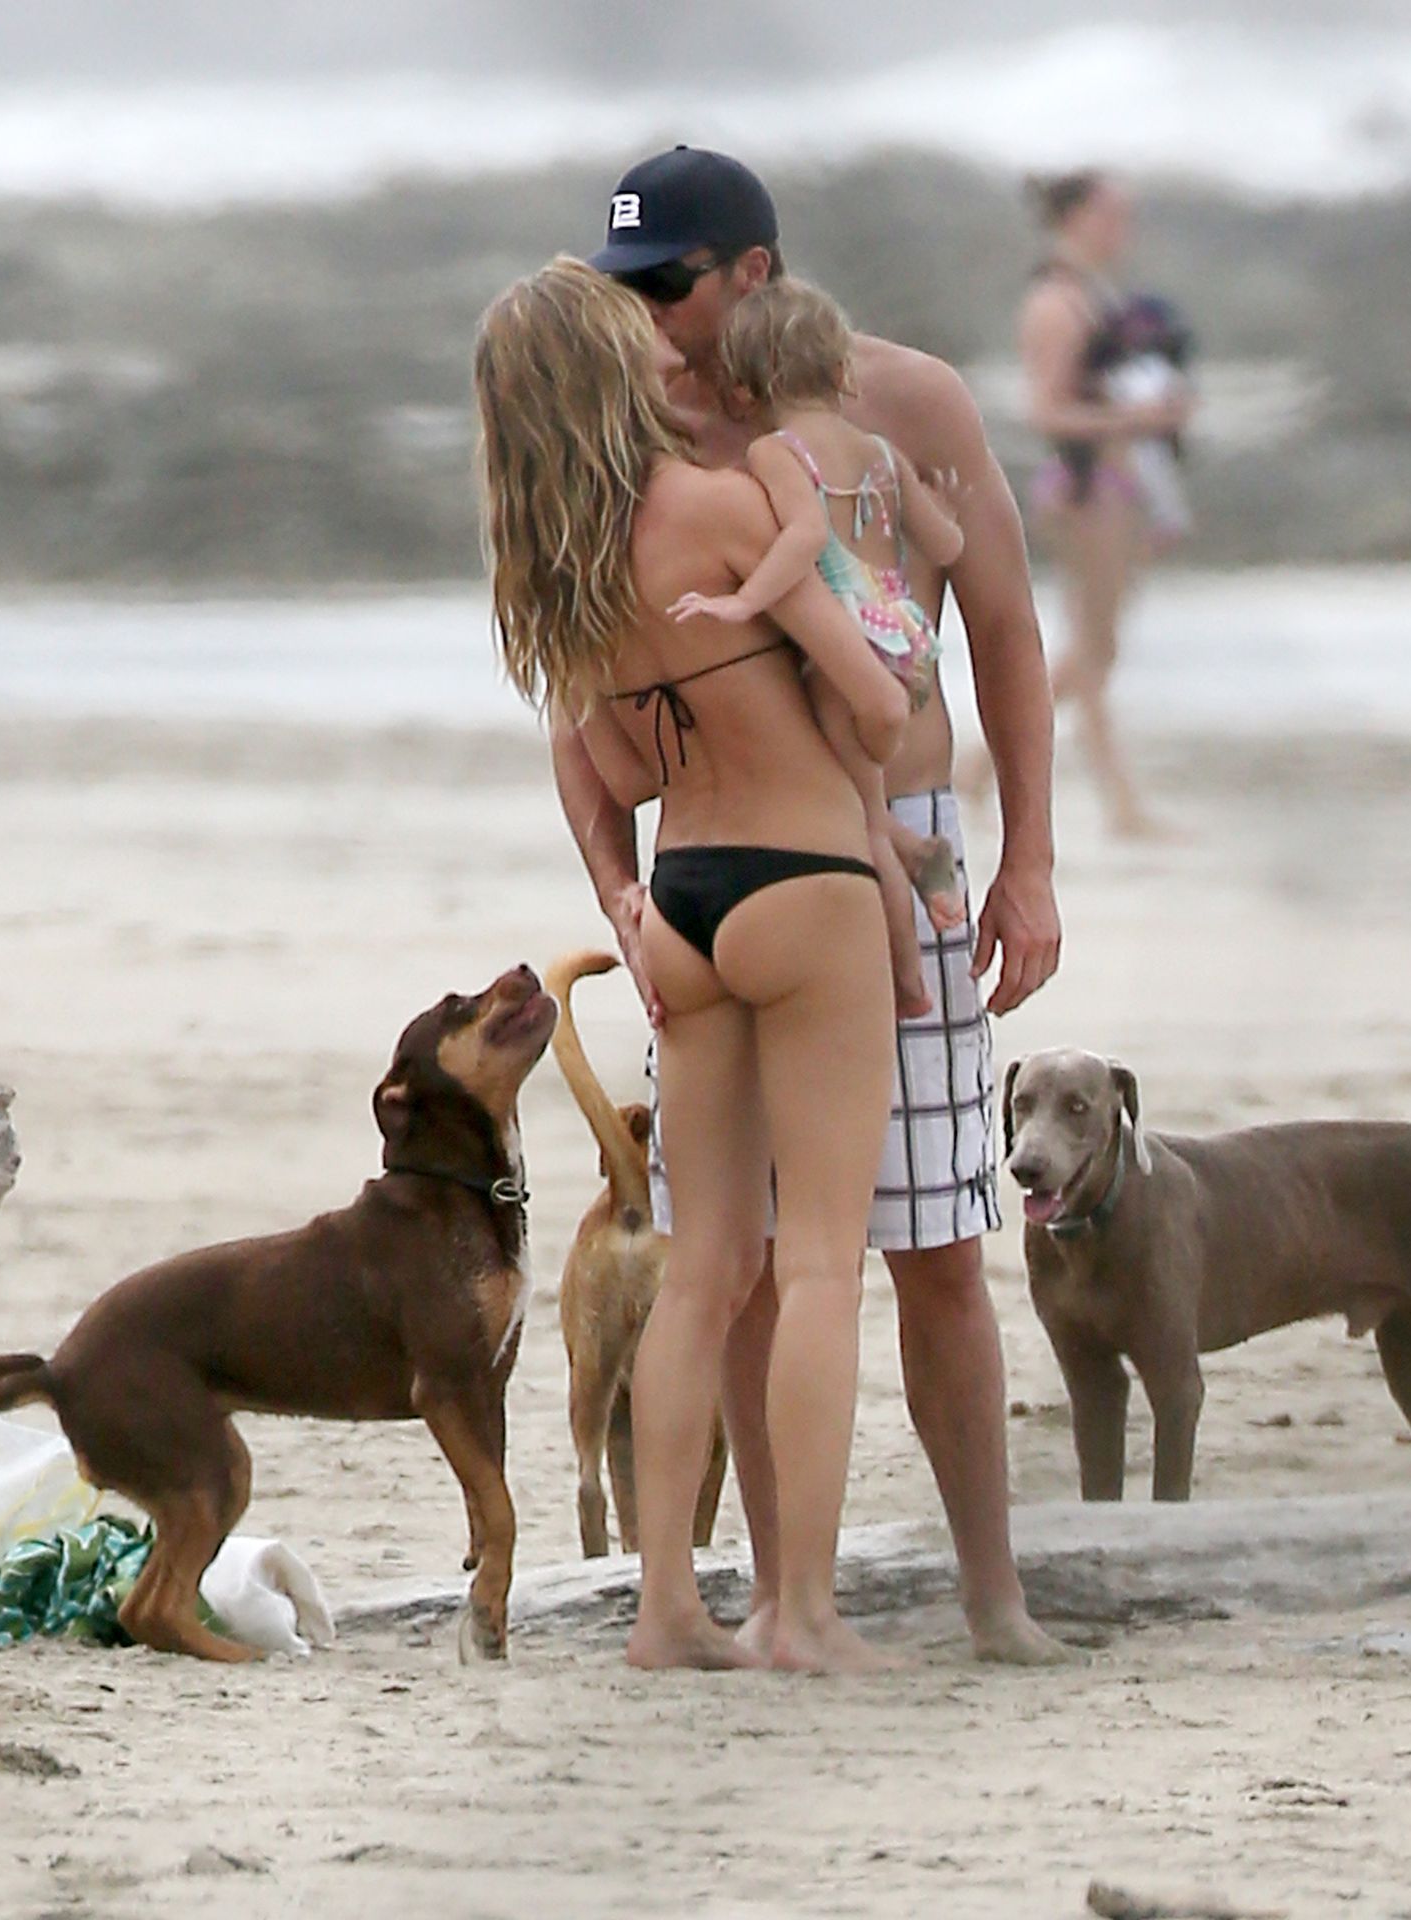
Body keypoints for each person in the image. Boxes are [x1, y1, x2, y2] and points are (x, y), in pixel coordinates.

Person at [554, 146, 1070, 1665]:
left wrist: (1028, 860)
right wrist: (613, 888)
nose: (651, 318)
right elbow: (572, 696)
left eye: (671, 285)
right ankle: (785, 1597)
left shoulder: (907, 403)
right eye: (626, 290)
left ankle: (991, 1596)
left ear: (754, 273)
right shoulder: (629, 423)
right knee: (736, 1262)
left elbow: (1004, 630)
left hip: (905, 847)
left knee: (937, 1248)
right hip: (723, 862)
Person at [476, 256, 913, 1673]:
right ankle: (803, 1613)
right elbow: (876, 710)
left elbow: (617, 769)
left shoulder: (554, 579)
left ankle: (666, 1606)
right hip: (805, 881)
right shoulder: (721, 509)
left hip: (683, 903)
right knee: (823, 1264)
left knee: (705, 1267)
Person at [669, 275, 969, 1020]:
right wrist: (943, 504)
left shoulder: (777, 452)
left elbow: (804, 538)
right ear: (842, 371)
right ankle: (920, 852)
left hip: (848, 655)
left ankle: (908, 981)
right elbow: (946, 545)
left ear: (743, 389)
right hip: (908, 640)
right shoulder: (880, 452)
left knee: (859, 817)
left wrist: (743, 600)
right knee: (867, 796)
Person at [1018, 169, 1195, 840]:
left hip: (1120, 487)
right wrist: (1137, 419)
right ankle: (1120, 804)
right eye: (1111, 214)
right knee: (1093, 650)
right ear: (1076, 217)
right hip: (1086, 485)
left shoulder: (1097, 294)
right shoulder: (1057, 302)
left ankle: (985, 770)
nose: (1124, 228)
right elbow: (1046, 410)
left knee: (1098, 648)